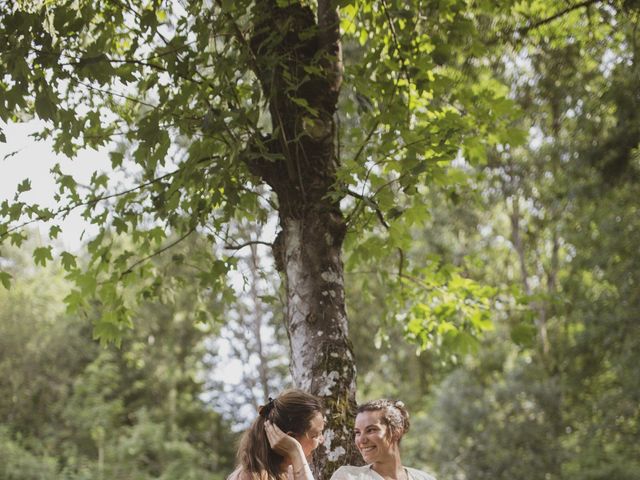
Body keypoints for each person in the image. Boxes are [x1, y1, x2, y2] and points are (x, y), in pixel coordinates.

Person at [228, 389, 325, 480]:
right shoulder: (248, 477)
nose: (322, 440)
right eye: (315, 435)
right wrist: (296, 451)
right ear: (290, 438)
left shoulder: (290, 472)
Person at [330, 399, 435, 480]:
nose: (361, 440)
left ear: (396, 432)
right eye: (357, 432)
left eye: (371, 430)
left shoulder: (424, 478)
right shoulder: (348, 477)